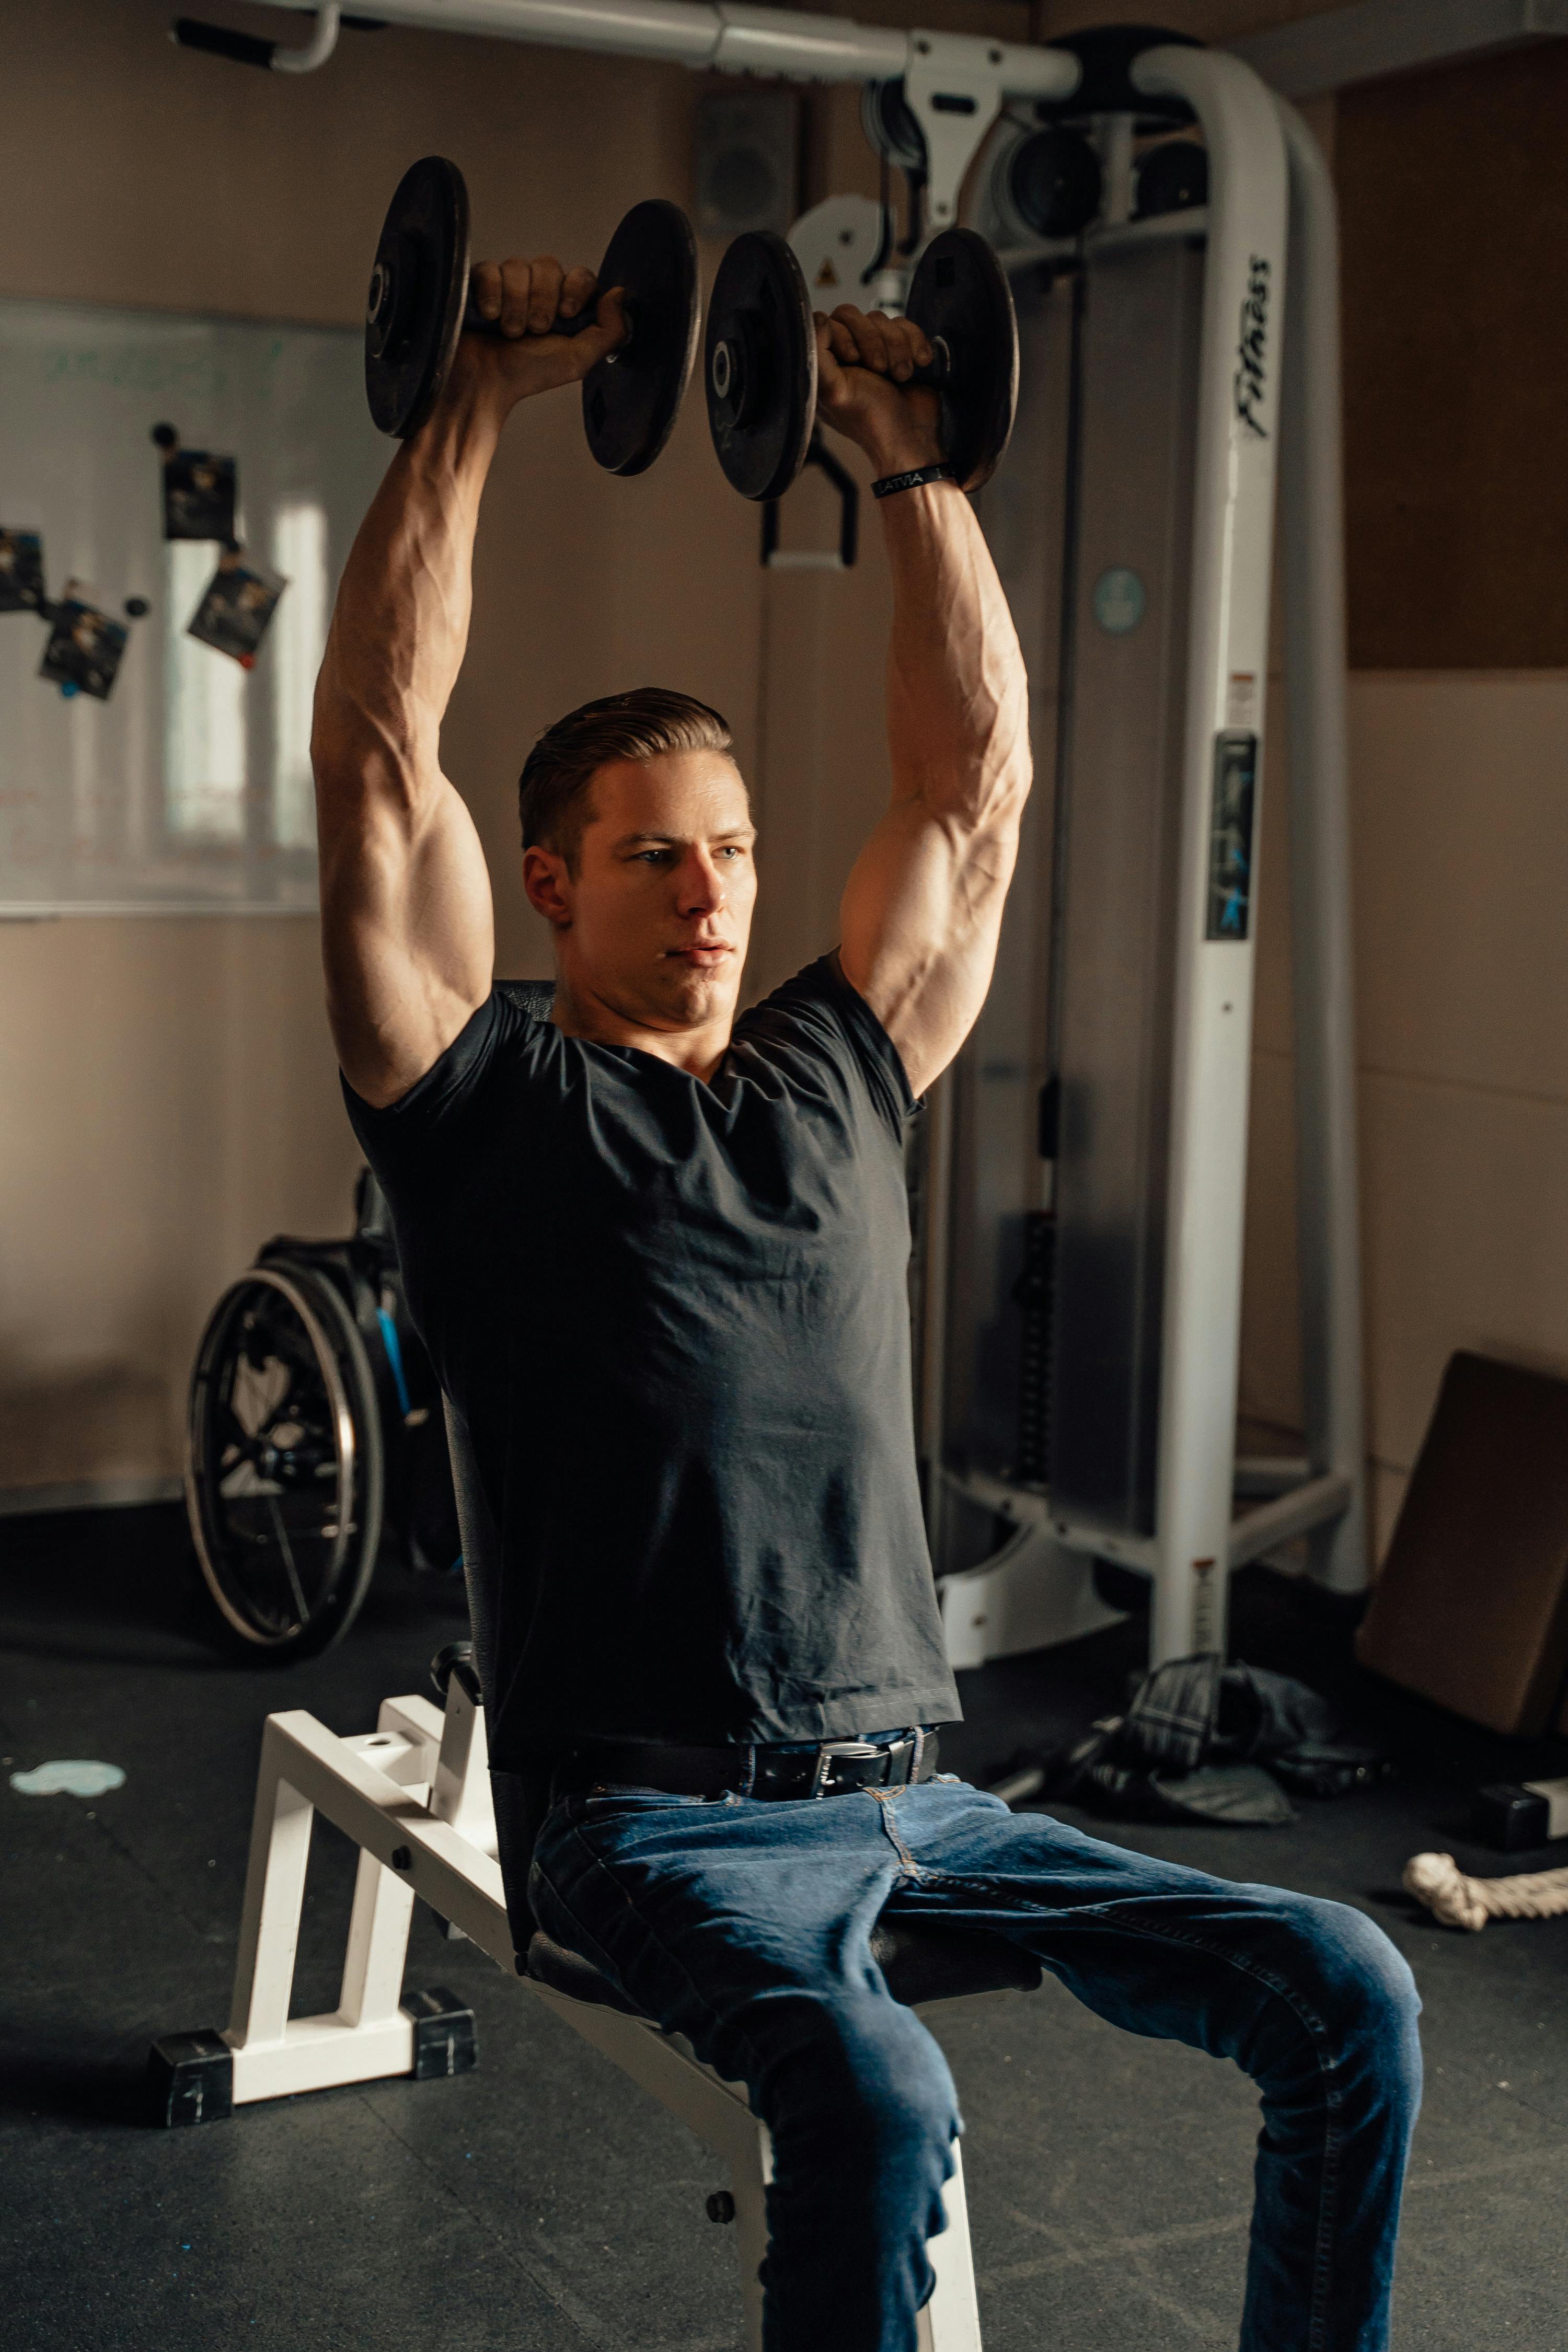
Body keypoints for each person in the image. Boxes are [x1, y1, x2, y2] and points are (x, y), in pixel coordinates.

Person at [313, 244, 1421, 2352]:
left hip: (915, 1790)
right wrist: (471, 405)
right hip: (641, 1818)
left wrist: (910, 467)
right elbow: (378, 757)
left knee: (1345, 1985)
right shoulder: (477, 1100)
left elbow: (975, 794)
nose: (714, 893)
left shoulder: (837, 1067)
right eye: (652, 857)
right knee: (886, 2095)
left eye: (731, 847)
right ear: (550, 883)